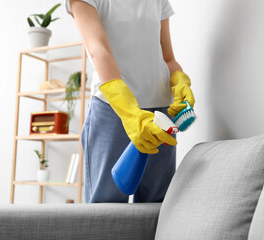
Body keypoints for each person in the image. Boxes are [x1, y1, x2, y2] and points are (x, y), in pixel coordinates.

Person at [65, 0, 195, 203]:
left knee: (156, 209)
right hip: (113, 112)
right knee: (105, 210)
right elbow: (98, 50)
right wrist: (130, 112)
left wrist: (179, 81)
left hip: (160, 115)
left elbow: (167, 58)